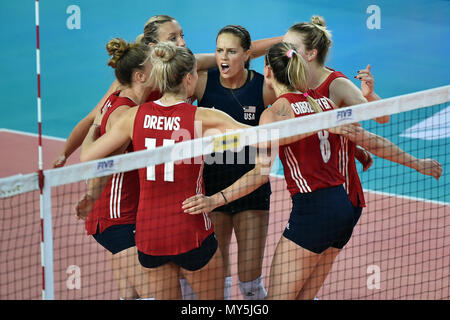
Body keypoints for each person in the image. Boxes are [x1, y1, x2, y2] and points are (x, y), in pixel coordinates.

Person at [182, 42, 443, 300]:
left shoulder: (275, 113)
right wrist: (417, 163)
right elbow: (371, 139)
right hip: (344, 208)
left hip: (311, 212)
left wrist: (216, 199)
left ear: (269, 72)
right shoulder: (325, 104)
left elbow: (260, 171)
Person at [80, 42, 253, 300]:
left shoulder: (133, 116)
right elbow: (266, 138)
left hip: (150, 236)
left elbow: (87, 157)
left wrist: (95, 125)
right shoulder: (201, 117)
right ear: (188, 79)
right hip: (189, 229)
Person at [52, 15, 281, 169]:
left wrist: (284, 40)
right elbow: (94, 117)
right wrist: (64, 154)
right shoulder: (133, 81)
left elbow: (238, 55)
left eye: (182, 35)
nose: (182, 43)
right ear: (154, 47)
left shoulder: (186, 63)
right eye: (173, 38)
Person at [282, 16, 388, 299]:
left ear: (311, 53)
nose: (284, 52)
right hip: (319, 191)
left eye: (290, 47)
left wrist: (369, 95)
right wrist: (354, 148)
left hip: (339, 192)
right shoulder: (289, 82)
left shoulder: (336, 84)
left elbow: (382, 116)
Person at [191, 25, 277, 300]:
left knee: (250, 282)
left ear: (247, 54)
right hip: (211, 189)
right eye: (218, 50)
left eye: (231, 51)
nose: (223, 57)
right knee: (219, 279)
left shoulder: (263, 88)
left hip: (251, 190)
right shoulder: (203, 82)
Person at [75, 38, 154, 299]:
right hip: (117, 218)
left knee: (130, 296)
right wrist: (92, 196)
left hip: (115, 215)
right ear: (141, 76)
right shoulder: (125, 115)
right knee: (152, 294)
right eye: (155, 65)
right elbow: (102, 164)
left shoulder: (117, 100)